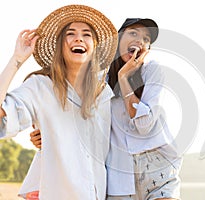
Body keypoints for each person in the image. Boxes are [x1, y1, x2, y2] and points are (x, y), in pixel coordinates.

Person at [30, 18, 183, 200]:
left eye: (146, 39)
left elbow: (144, 125)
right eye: (133, 33)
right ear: (118, 40)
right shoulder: (97, 80)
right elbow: (75, 119)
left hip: (158, 169)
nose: (140, 41)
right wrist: (46, 135)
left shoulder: (152, 71)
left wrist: (124, 79)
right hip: (118, 177)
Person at [0, 4, 118, 200]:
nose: (78, 38)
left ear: (95, 47)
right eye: (70, 33)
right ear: (60, 45)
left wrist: (52, 137)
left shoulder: (104, 94)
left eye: (87, 34)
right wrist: (17, 60)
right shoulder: (39, 87)